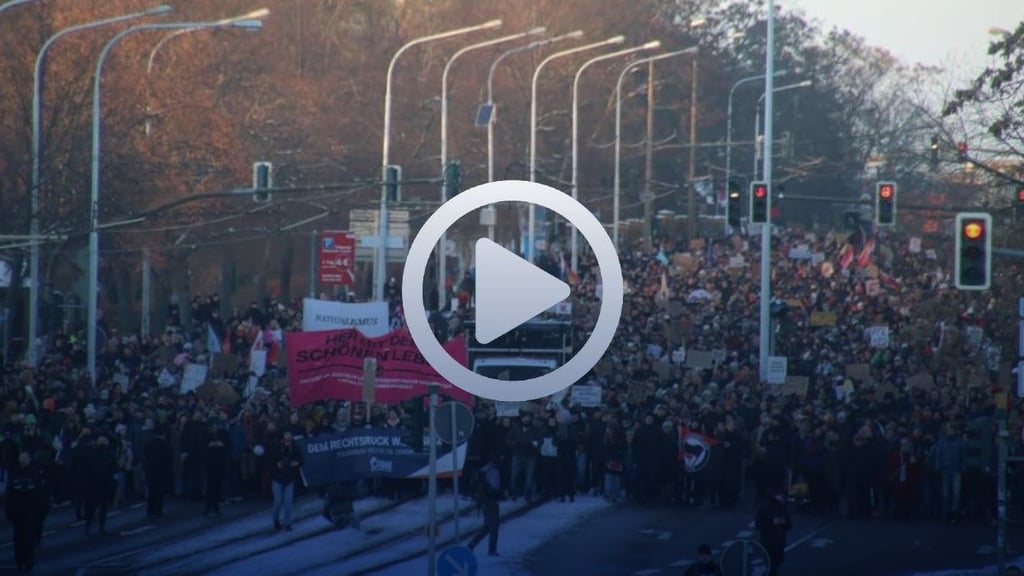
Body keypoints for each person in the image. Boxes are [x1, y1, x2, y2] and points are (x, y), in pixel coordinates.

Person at [5, 451, 43, 572]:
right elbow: (9, 494)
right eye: (22, 458)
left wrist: (39, 511)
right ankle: (19, 561)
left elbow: (40, 494)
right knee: (18, 539)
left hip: (30, 512)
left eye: (26, 458)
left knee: (28, 538)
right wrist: (9, 511)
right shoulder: (14, 474)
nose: (23, 460)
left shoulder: (34, 473)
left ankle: (28, 561)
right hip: (18, 512)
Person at [467, 455, 501, 557]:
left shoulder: (483, 469)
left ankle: (471, 544)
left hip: (482, 501)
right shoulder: (494, 471)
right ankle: (492, 550)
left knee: (487, 526)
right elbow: (495, 487)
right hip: (491, 501)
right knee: (494, 527)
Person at [270, 431, 303, 531]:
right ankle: (276, 520)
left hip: (290, 479)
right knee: (278, 501)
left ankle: (287, 523)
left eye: (289, 434)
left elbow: (301, 460)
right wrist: (277, 464)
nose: (288, 436)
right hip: (278, 478)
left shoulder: (295, 447)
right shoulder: (277, 447)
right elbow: (271, 461)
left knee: (288, 502)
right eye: (286, 434)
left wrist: (297, 463)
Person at [755, 491, 792, 576]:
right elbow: (759, 524)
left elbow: (789, 525)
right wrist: (772, 522)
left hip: (779, 541)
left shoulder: (782, 509)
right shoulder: (764, 509)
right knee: (771, 562)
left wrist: (784, 522)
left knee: (777, 561)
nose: (782, 498)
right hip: (768, 540)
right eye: (780, 496)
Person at [144, 427, 174, 518]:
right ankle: (158, 511)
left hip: (151, 471)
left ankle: (150, 511)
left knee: (152, 492)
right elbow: (170, 458)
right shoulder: (166, 445)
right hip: (162, 472)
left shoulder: (148, 444)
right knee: (159, 493)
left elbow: (145, 457)